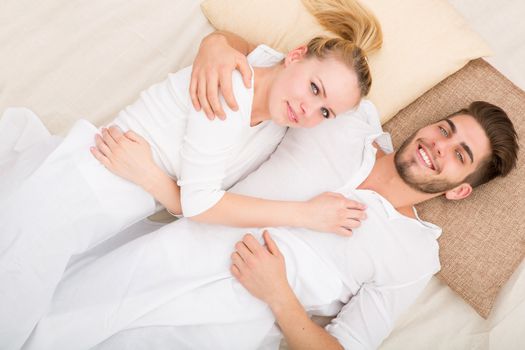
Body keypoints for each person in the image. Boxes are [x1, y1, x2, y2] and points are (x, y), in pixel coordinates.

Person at [0, 1, 383, 347]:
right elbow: (200, 203)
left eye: (326, 112)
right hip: (83, 184)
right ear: (295, 56)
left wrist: (153, 178)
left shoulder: (275, 122)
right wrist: (306, 215)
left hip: (109, 214)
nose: (308, 109)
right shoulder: (232, 84)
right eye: (314, 88)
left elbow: (195, 203)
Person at [22, 101, 519, 350]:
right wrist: (220, 45)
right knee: (38, 320)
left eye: (460, 155)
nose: (438, 145)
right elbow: (270, 71)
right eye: (445, 129)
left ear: (460, 189)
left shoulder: (415, 254)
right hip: (172, 251)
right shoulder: (347, 120)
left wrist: (279, 293)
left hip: (228, 319)